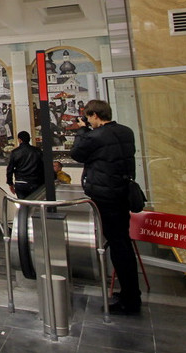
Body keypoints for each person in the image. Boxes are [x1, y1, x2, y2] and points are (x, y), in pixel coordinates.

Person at [71, 98, 141, 315]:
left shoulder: (96, 136)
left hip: (106, 196)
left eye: (89, 117)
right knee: (123, 242)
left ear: (94, 115)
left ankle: (130, 300)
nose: (88, 121)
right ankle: (130, 292)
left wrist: (82, 131)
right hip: (121, 193)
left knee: (118, 246)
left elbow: (77, 153)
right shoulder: (126, 132)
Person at [6, 131, 43, 198]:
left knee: (23, 202)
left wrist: (10, 183)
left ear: (20, 140)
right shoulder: (37, 151)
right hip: (35, 181)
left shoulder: (15, 152)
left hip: (21, 182)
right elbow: (43, 166)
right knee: (35, 201)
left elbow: (10, 169)